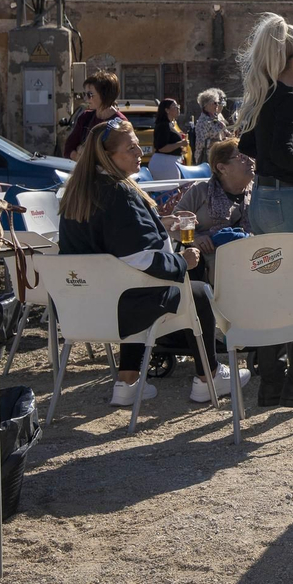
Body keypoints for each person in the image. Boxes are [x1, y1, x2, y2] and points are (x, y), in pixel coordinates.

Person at [58, 117, 244, 406]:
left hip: (83, 307)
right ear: (107, 157)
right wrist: (182, 261)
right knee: (198, 292)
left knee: (135, 285)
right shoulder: (119, 193)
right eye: (131, 149)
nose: (139, 153)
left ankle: (127, 382)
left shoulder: (78, 193)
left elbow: (113, 237)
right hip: (123, 309)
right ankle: (209, 378)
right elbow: (138, 258)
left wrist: (159, 222)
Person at [236, 13, 293, 409]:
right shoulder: (288, 97)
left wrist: (285, 165)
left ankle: (273, 382)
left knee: (276, 290)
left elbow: (247, 145)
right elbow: (276, 150)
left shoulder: (266, 93)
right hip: (286, 199)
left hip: (264, 200)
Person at [161, 137, 254, 256]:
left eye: (250, 156)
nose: (251, 161)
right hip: (208, 258)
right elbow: (172, 226)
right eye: (242, 157)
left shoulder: (257, 193)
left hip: (249, 256)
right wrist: (195, 238)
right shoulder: (201, 190)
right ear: (222, 168)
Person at [63, 69, 125, 160]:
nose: (85, 99)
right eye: (85, 94)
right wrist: (80, 157)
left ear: (104, 94)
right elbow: (68, 149)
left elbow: (115, 157)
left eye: (90, 94)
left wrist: (82, 150)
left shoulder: (120, 123)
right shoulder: (85, 118)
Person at [146, 97, 188, 180]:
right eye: (175, 107)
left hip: (171, 163)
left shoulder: (171, 124)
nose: (178, 109)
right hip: (164, 164)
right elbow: (162, 148)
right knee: (172, 191)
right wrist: (180, 143)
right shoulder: (163, 126)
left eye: (178, 106)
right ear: (167, 110)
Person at [194, 88, 230, 161]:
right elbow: (201, 143)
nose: (217, 105)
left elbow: (224, 131)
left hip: (219, 155)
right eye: (214, 103)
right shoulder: (203, 121)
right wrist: (218, 142)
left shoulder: (216, 117)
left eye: (217, 102)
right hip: (208, 158)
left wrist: (230, 136)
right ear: (206, 105)